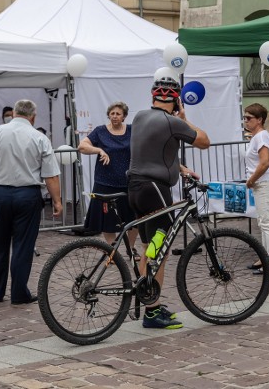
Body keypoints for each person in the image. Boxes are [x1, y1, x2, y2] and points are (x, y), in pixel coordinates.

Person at [127, 76, 210, 329]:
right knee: (158, 252)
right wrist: (183, 117)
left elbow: (156, 150)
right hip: (155, 189)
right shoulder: (172, 121)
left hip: (136, 188)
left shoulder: (141, 116)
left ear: (153, 98)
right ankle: (151, 313)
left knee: (148, 247)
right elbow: (205, 141)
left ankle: (150, 300)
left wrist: (181, 168)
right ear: (176, 101)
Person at [0, 99, 62, 305]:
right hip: (27, 196)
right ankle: (19, 293)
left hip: (0, 194)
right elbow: (51, 176)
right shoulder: (39, 137)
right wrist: (57, 201)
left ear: (14, 113)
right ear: (33, 117)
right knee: (23, 246)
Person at [78, 102, 138, 254]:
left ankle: (131, 248)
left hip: (129, 182)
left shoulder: (132, 130)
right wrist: (99, 150)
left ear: (124, 116)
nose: (115, 116)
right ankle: (111, 250)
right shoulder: (100, 131)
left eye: (118, 114)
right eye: (112, 113)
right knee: (107, 219)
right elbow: (82, 146)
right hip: (105, 182)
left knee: (134, 218)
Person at [242, 103, 269, 275]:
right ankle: (266, 258)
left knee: (267, 223)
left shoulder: (262, 136)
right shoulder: (258, 136)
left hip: (264, 183)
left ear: (259, 120)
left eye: (249, 118)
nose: (246, 121)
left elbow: (264, 162)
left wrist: (251, 179)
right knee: (263, 223)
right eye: (244, 118)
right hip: (262, 183)